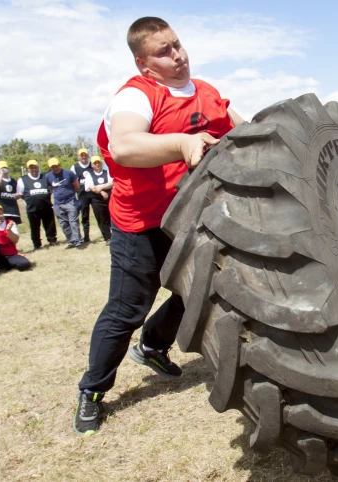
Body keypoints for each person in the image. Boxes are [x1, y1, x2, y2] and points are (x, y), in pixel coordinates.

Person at [74, 16, 242, 435]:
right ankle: (92, 392)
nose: (178, 55)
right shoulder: (135, 97)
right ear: (143, 64)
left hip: (190, 219)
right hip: (142, 224)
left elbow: (247, 133)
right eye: (164, 51)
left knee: (203, 289)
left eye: (178, 44)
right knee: (126, 309)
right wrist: (181, 143)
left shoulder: (207, 93)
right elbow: (126, 146)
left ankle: (152, 345)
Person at [16, 160, 57, 250]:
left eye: (35, 167)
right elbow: (20, 193)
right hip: (32, 208)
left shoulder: (45, 177)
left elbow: (51, 188)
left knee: (50, 224)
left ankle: (52, 240)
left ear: (38, 167)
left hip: (46, 206)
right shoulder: (23, 179)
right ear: (28, 169)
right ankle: (37, 244)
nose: (33, 169)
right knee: (34, 227)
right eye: (31, 167)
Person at [46, 157, 84, 249]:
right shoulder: (48, 176)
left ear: (59, 165)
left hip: (70, 201)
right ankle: (71, 241)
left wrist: (70, 195)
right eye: (52, 167)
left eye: (56, 166)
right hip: (58, 203)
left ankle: (78, 241)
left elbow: (76, 186)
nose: (55, 168)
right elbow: (50, 188)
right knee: (63, 223)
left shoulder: (68, 173)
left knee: (73, 221)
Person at [85, 156, 113, 245]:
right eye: (95, 163)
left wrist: (101, 188)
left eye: (98, 162)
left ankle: (116, 236)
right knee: (101, 219)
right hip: (97, 200)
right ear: (92, 165)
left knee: (113, 218)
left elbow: (111, 183)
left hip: (110, 198)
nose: (97, 164)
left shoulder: (107, 172)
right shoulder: (89, 175)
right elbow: (91, 187)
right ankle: (107, 237)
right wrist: (101, 192)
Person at [71, 148, 94, 243]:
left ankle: (107, 235)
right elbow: (73, 181)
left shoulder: (92, 165)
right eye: (81, 155)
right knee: (84, 216)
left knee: (100, 214)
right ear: (78, 156)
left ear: (88, 155)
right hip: (82, 195)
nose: (83, 156)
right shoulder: (75, 167)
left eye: (85, 154)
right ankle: (86, 236)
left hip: (94, 193)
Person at [0, 161, 21, 225]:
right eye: (2, 168)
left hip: (13, 211)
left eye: (5, 168)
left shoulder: (13, 181)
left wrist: (18, 195)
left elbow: (18, 194)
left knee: (13, 230)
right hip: (1, 211)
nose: (4, 170)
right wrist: (1, 175)